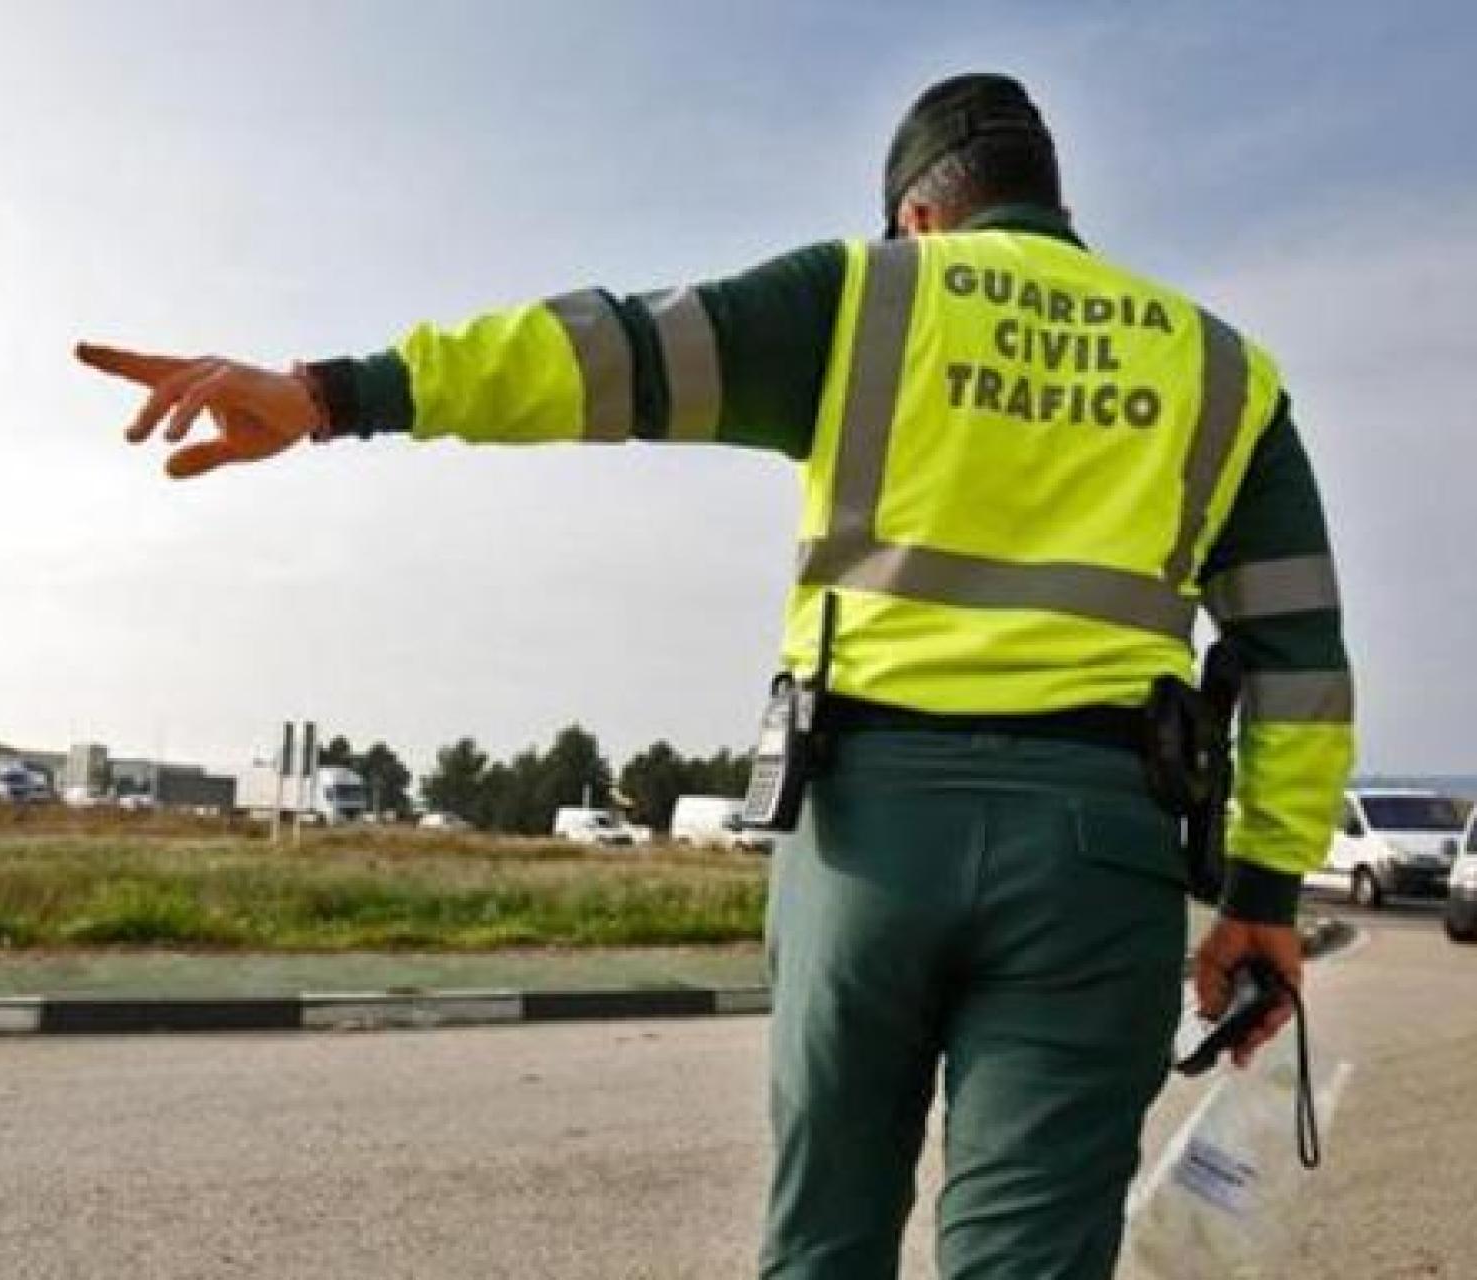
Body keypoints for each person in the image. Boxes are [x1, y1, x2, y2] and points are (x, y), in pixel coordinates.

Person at [79, 72, 1354, 1279]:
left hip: (866, 834)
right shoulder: (1221, 370)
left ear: (918, 213)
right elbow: (1296, 656)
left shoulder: (865, 295)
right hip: (1099, 853)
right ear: (1053, 204)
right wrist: (1260, 891)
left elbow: (597, 355)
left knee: (825, 1235)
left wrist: (333, 393)